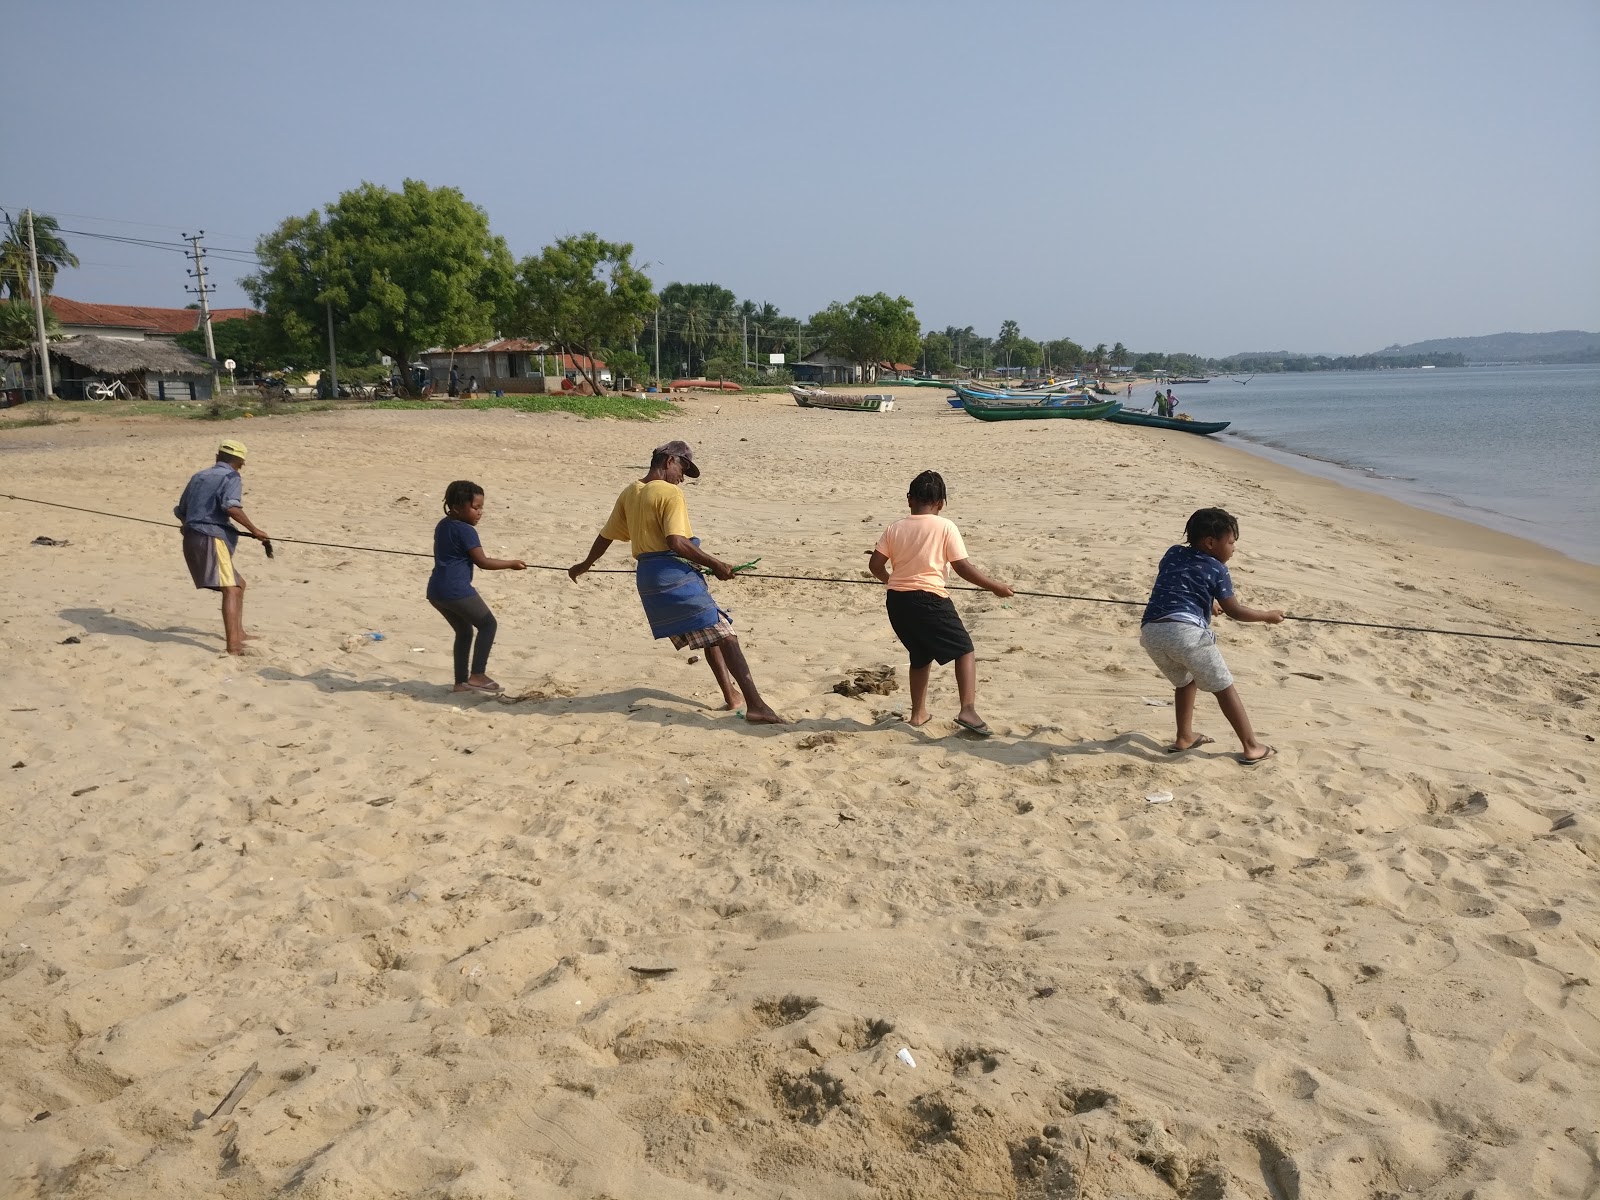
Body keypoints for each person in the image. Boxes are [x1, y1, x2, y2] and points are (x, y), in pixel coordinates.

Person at [568, 440, 783, 724]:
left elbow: (606, 535)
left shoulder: (631, 491)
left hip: (648, 579)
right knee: (726, 635)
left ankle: (732, 696)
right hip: (673, 577)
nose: (682, 477)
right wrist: (717, 564)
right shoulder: (669, 492)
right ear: (670, 461)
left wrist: (585, 565)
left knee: (711, 633)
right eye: (683, 468)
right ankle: (756, 706)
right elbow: (677, 542)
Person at [868, 470, 1013, 736]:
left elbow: (875, 565)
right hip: (929, 599)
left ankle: (918, 713)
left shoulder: (895, 527)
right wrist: (996, 587)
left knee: (920, 655)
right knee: (964, 650)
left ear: (909, 499)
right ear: (941, 503)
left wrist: (891, 581)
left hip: (897, 602)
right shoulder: (945, 526)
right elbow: (962, 567)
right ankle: (967, 709)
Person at [1139, 507, 1282, 764]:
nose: (1233, 549)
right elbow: (1235, 611)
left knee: (1185, 681)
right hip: (1186, 634)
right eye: (1230, 542)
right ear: (1210, 542)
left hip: (1152, 631)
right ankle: (1252, 747)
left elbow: (1179, 582)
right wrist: (1267, 616)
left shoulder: (1173, 553)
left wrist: (1206, 603)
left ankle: (1184, 737)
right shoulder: (1217, 569)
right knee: (1224, 687)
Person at [427, 481, 526, 693]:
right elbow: (483, 562)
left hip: (436, 591)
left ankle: (460, 683)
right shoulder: (466, 530)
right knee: (488, 624)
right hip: (456, 590)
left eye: (481, 507)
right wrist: (511, 563)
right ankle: (478, 675)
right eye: (475, 507)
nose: (480, 512)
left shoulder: (443, 525)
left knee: (464, 631)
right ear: (456, 507)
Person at [174, 439, 270, 656]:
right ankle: (234, 647)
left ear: (217, 457)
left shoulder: (198, 476)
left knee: (239, 584)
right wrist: (255, 530)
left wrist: (188, 526)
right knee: (232, 589)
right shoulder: (231, 477)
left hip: (192, 537)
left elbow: (181, 511)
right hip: (211, 538)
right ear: (241, 463)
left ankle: (240, 633)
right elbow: (231, 507)